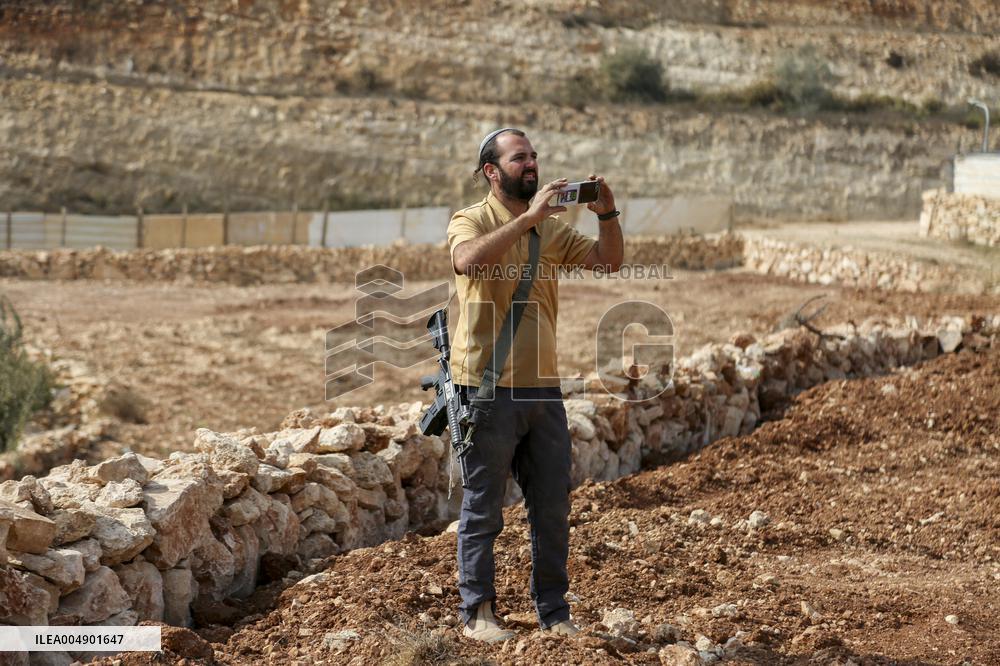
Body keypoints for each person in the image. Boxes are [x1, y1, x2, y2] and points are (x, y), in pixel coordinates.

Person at [446, 128, 624, 642]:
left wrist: (607, 215)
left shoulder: (552, 229)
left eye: (534, 156)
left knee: (551, 509)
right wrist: (527, 220)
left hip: (543, 390)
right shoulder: (470, 220)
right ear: (491, 171)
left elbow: (608, 262)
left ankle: (555, 614)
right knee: (483, 508)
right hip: (487, 388)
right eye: (519, 157)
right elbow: (467, 261)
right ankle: (477, 614)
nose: (531, 163)